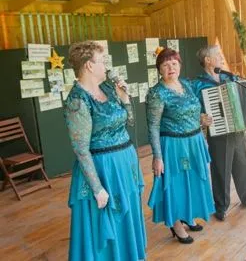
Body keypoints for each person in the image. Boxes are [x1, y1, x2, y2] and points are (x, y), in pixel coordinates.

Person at [64, 41, 146, 260]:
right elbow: (81, 150)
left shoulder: (109, 88)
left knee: (127, 216)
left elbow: (128, 122)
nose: (106, 66)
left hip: (125, 163)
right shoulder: (77, 100)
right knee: (105, 222)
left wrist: (126, 98)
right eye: (102, 61)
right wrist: (98, 188)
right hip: (102, 170)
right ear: (89, 65)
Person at [146, 48, 215, 244]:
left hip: (194, 141)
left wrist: (202, 119)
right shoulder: (156, 93)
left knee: (192, 181)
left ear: (180, 65)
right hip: (173, 146)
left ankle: (188, 215)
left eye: (174, 64)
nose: (171, 68)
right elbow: (153, 127)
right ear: (159, 69)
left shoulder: (186, 84)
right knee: (174, 186)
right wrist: (157, 156)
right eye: (165, 65)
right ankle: (176, 224)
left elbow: (194, 111)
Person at [192, 45, 246, 221]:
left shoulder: (229, 77)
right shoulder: (198, 84)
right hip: (218, 132)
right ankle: (221, 206)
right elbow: (193, 108)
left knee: (243, 165)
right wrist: (200, 116)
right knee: (220, 169)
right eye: (218, 55)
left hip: (238, 129)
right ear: (208, 60)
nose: (222, 58)